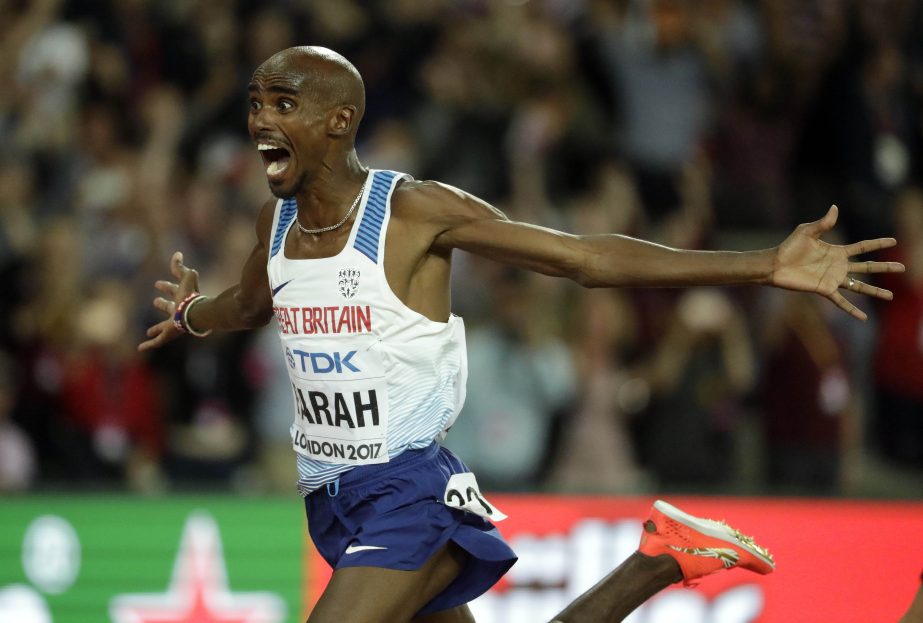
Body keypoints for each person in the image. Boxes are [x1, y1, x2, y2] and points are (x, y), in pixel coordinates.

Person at [139, 47, 904, 623]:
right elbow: (243, 304)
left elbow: (584, 258)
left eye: (282, 103)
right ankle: (658, 560)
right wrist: (187, 314)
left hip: (407, 495)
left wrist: (763, 263)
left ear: (338, 120)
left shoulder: (412, 213)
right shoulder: (280, 227)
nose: (260, 121)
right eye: (255, 103)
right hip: (332, 500)